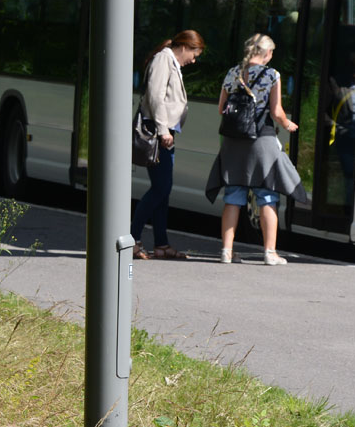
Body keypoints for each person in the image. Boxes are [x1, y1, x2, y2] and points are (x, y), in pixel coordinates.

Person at [205, 33, 310, 265]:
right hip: (261, 140)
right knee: (267, 194)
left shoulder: (233, 73)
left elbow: (222, 108)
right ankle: (270, 253)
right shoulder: (272, 75)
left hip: (233, 142)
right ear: (267, 54)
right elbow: (276, 111)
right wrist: (287, 124)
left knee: (233, 196)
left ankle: (226, 251)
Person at [131, 29, 205, 260]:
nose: (193, 60)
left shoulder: (170, 60)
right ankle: (132, 238)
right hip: (158, 132)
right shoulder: (164, 59)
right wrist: (163, 130)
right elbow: (155, 96)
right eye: (194, 54)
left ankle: (161, 244)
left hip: (166, 133)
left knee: (164, 189)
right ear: (184, 47)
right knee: (161, 188)